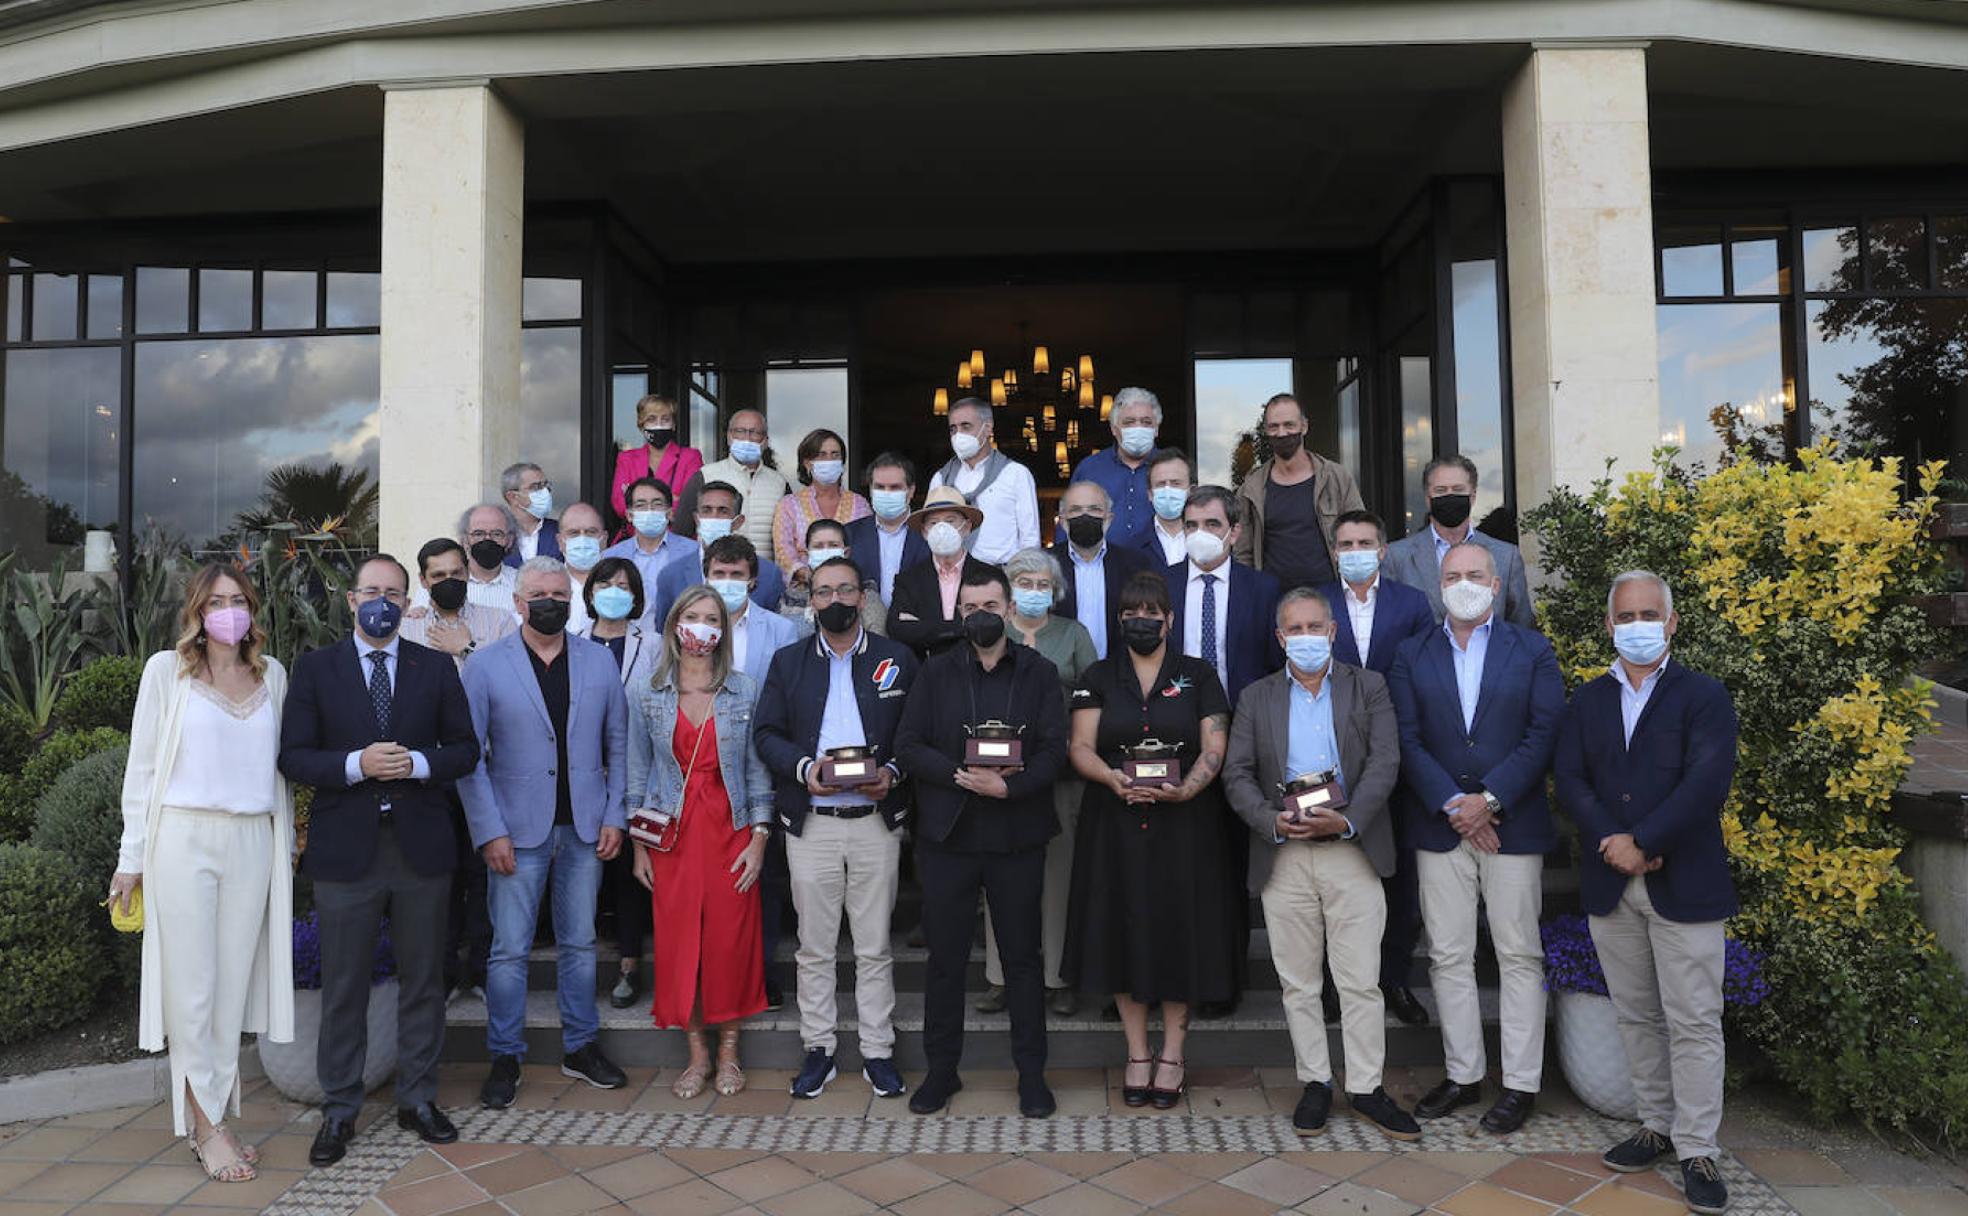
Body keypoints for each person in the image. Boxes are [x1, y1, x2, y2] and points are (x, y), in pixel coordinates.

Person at [278, 555, 479, 1167]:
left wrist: (416, 764)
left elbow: (466, 749)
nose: (382, 602)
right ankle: (339, 1110)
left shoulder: (436, 666)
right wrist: (354, 765)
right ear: (350, 599)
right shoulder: (314, 669)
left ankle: (418, 1099)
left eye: (394, 593)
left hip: (420, 848)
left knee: (423, 982)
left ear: (407, 600)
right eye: (372, 591)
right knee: (344, 986)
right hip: (347, 854)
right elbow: (294, 757)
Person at [1554, 571, 1738, 1216]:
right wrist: (1612, 838)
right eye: (1626, 615)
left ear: (1672, 621)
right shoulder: (1588, 700)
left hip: (1682, 882)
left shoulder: (1704, 695)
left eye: (1649, 614)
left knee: (1693, 1020)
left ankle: (1697, 1149)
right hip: (1612, 881)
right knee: (1636, 1013)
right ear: (1608, 625)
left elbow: (1706, 782)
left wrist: (1647, 839)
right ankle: (1654, 1125)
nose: (1637, 625)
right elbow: (1571, 778)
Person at [109, 564, 295, 1184]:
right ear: (196, 611)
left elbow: (280, 771)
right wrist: (130, 860)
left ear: (253, 609)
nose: (228, 611)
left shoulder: (274, 675)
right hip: (183, 840)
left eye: (238, 600)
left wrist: (287, 841)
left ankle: (213, 1115)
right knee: (192, 991)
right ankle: (207, 1129)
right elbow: (141, 772)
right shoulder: (168, 671)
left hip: (251, 841)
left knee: (229, 989)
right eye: (216, 601)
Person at [1222, 589, 1419, 1143]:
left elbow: (1386, 761)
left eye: (1316, 626)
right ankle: (1314, 1081)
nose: (1306, 636)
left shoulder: (1369, 686)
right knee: (1298, 982)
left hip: (1352, 850)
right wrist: (1269, 820)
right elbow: (1236, 773)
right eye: (1295, 629)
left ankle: (1366, 1087)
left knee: (1360, 981)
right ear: (1280, 638)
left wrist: (1349, 819)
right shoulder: (1255, 696)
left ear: (1332, 632)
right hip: (1283, 853)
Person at [1387, 541, 1565, 1134]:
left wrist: (1487, 802)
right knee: (1448, 954)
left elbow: (1543, 733)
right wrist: (1454, 806)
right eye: (1452, 575)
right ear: (1439, 585)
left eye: (1475, 574)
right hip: (1439, 826)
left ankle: (1520, 1084)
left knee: (1517, 953)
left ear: (1497, 584)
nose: (1463, 582)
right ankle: (1463, 1074)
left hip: (1511, 826)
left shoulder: (1532, 649)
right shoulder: (1412, 653)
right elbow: (1407, 739)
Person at [893, 565, 1070, 1119]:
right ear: (959, 614)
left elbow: (1053, 751)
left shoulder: (1039, 672)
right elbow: (909, 743)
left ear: (1010, 606)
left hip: (1016, 833)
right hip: (949, 834)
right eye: (970, 609)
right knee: (946, 960)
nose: (981, 616)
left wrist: (1007, 784)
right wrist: (959, 776)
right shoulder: (937, 673)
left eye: (991, 605)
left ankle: (1032, 1076)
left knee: (1022, 959)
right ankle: (942, 1073)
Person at [1063, 571, 1240, 1109]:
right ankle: (1138, 1051)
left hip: (1185, 826)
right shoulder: (1097, 675)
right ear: (1119, 620)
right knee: (1123, 932)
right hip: (1114, 825)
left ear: (1169, 619)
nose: (1141, 621)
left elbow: (1215, 745)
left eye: (1151, 613)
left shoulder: (1198, 674)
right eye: (1130, 614)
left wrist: (1188, 787)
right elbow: (1081, 747)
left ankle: (1174, 1054)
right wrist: (1113, 779)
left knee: (1179, 931)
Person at [458, 557, 631, 1107]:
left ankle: (580, 1046)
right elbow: (471, 758)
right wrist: (489, 830)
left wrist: (614, 815)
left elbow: (619, 746)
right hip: (515, 830)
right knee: (509, 951)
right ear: (518, 601)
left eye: (559, 593)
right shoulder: (484, 667)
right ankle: (505, 1054)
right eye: (538, 594)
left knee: (580, 944)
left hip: (584, 828)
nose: (549, 602)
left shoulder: (599, 662)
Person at [754, 557, 919, 1100]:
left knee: (873, 946)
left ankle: (877, 1050)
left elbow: (917, 734)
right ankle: (818, 1047)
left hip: (874, 821)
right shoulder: (788, 661)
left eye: (845, 589)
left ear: (863, 595)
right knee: (814, 946)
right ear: (811, 601)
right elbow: (768, 734)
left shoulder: (897, 658)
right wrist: (807, 771)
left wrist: (892, 774)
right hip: (813, 823)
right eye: (823, 592)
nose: (835, 600)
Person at [626, 585, 776, 1099]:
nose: (702, 627)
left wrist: (758, 839)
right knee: (679, 944)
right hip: (672, 834)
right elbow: (637, 772)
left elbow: (758, 771)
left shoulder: (745, 690)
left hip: (731, 827)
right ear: (673, 625)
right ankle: (697, 1055)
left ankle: (730, 1051)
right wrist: (639, 846)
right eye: (692, 616)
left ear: (724, 629)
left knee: (730, 943)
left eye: (712, 618)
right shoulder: (647, 692)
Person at [1316, 509, 1435, 1026]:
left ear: (1383, 551)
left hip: (1399, 758)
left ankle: (1394, 979)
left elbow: (1425, 674)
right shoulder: (1315, 604)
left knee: (1398, 876)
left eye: (1365, 541)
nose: (1355, 551)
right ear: (1334, 551)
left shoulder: (1412, 604)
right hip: (1329, 758)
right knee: (1330, 875)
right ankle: (1331, 984)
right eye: (1346, 543)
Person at [977, 547, 1098, 1018]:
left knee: (1058, 878)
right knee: (1000, 879)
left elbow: (1092, 695)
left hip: (1060, 774)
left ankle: (1057, 979)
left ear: (1055, 590)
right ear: (1008, 590)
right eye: (1022, 582)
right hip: (997, 776)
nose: (1032, 590)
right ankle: (999, 977)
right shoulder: (993, 632)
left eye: (1040, 583)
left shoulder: (1072, 634)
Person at [397, 538, 516, 1007]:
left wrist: (465, 648)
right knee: (439, 877)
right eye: (438, 576)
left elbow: (509, 686)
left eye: (456, 574)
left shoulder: (499, 622)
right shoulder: (406, 631)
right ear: (424, 581)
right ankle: (446, 973)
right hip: (431, 771)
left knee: (485, 874)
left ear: (468, 573)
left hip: (487, 768)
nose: (448, 583)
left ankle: (484, 971)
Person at [572, 557, 660, 1009]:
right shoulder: (572, 644)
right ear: (590, 592)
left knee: (630, 869)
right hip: (583, 775)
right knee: (584, 872)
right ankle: (581, 968)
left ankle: (630, 963)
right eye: (606, 583)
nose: (614, 591)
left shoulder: (655, 644)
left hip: (640, 772)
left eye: (624, 585)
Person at [1382, 455, 1535, 629]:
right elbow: (1390, 627)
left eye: (1457, 489)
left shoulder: (1506, 556)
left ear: (1473, 496)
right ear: (1427, 498)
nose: (1449, 496)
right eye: (1440, 490)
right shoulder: (1396, 557)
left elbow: (1521, 628)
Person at [1232, 393, 1364, 591]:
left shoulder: (1336, 478)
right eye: (1274, 427)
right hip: (1274, 604)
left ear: (1304, 426)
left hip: (1331, 598)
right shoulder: (1251, 489)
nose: (1282, 433)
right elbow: (1243, 554)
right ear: (1266, 431)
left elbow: (1360, 534)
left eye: (1289, 425)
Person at [1165, 486, 1282, 707]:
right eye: (1192, 525)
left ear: (1234, 533)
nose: (1200, 533)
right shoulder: (1162, 584)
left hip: (1245, 716)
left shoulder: (1263, 589)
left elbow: (1275, 662)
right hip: (1177, 716)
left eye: (1212, 524)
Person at [648, 481, 787, 628]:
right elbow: (664, 632)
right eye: (707, 510)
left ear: (738, 522)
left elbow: (773, 628)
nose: (714, 517)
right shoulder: (671, 575)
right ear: (697, 519)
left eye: (723, 511)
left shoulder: (768, 574)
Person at [1048, 479, 1158, 660]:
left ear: (1109, 518)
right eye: (1075, 510)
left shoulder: (1135, 565)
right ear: (1062, 520)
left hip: (1119, 674)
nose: (1085, 515)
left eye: (1094, 509)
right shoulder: (1045, 564)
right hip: (1060, 676)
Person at [887, 486, 999, 659]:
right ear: (924, 531)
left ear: (967, 527)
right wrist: (960, 628)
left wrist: (926, 628)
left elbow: (991, 627)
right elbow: (898, 630)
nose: (941, 528)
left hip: (979, 671)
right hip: (925, 675)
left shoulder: (991, 576)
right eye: (934, 523)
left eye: (950, 521)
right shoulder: (909, 580)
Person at [927, 398, 1040, 564]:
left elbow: (1029, 540)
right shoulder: (940, 479)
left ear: (987, 428)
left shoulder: (1015, 474)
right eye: (953, 429)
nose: (958, 435)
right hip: (954, 577)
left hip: (1003, 575)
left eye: (966, 426)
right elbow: (932, 534)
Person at [674, 408, 790, 562]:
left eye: (755, 432)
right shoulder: (705, 476)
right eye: (740, 431)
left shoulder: (779, 483)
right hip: (713, 571)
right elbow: (681, 534)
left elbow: (787, 539)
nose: (747, 438)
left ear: (766, 441)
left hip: (763, 575)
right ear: (729, 437)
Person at [1062, 386, 1162, 550]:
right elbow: (1069, 516)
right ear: (1114, 429)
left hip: (1161, 567)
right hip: (1103, 566)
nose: (1138, 428)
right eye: (1129, 422)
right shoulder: (1090, 468)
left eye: (1146, 422)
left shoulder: (1171, 467)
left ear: (1156, 428)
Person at [703, 534, 802, 686]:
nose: (727, 581)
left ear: (752, 581)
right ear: (707, 579)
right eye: (719, 574)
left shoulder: (781, 630)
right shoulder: (690, 625)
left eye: (736, 575)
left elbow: (788, 687)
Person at [772, 427, 871, 577]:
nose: (829, 460)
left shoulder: (860, 504)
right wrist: (807, 575)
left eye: (835, 455)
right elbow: (783, 551)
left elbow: (866, 547)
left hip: (849, 587)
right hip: (803, 590)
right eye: (822, 455)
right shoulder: (788, 505)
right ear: (807, 463)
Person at [611, 394, 704, 533]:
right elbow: (619, 503)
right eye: (651, 419)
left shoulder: (690, 457)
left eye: (665, 419)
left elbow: (691, 503)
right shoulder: (627, 458)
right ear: (641, 425)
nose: (659, 425)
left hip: (677, 537)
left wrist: (639, 503)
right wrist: (670, 500)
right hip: (634, 538)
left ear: (673, 425)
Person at [845, 452, 930, 607]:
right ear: (870, 489)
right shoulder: (850, 534)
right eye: (879, 487)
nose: (887, 492)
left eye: (895, 487)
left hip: (914, 625)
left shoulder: (929, 534)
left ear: (910, 491)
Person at [784, 517, 887, 637]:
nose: (826, 551)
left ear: (846, 552)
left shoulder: (865, 593)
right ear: (807, 554)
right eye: (818, 546)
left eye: (833, 545)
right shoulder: (791, 595)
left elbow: (878, 640)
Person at [602, 475, 700, 599]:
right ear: (629, 515)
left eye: (657, 504)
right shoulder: (611, 556)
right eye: (640, 505)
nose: (649, 510)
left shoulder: (693, 552)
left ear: (669, 513)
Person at [456, 503, 521, 611]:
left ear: (510, 540)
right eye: (478, 534)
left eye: (496, 534)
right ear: (464, 540)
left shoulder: (522, 584)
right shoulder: (442, 581)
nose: (487, 540)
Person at [1136, 448, 1194, 567]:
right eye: (1161, 484)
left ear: (1192, 491)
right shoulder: (1133, 546)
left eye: (1176, 483)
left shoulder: (1209, 539)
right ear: (1150, 494)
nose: (1168, 490)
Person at [558, 502, 610, 635]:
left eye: (591, 532)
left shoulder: (624, 586)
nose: (582, 539)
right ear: (560, 541)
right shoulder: (545, 585)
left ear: (604, 540)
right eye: (573, 533)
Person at [499, 462, 562, 564]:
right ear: (513, 497)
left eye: (546, 485)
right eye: (536, 487)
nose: (545, 492)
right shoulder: (497, 534)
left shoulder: (561, 531)